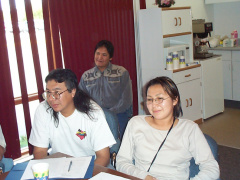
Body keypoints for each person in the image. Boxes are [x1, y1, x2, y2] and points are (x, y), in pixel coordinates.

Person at [116, 76, 220, 180]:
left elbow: (211, 168)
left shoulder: (189, 129)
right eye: (149, 100)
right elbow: (122, 161)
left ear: (175, 100)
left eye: (160, 99)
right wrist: (144, 176)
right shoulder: (135, 123)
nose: (154, 105)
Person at [29, 69, 116, 167]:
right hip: (58, 166)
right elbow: (39, 151)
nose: (51, 98)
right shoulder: (43, 110)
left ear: (73, 91)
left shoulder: (92, 112)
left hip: (91, 166)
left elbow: (103, 157)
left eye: (57, 92)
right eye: (48, 92)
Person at [79, 40, 133, 139]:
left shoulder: (121, 72)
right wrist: (95, 113)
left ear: (110, 57)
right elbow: (81, 99)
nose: (99, 58)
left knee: (118, 146)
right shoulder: (86, 76)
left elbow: (126, 99)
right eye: (97, 53)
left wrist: (109, 113)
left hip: (118, 115)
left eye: (104, 55)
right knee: (97, 144)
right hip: (94, 116)